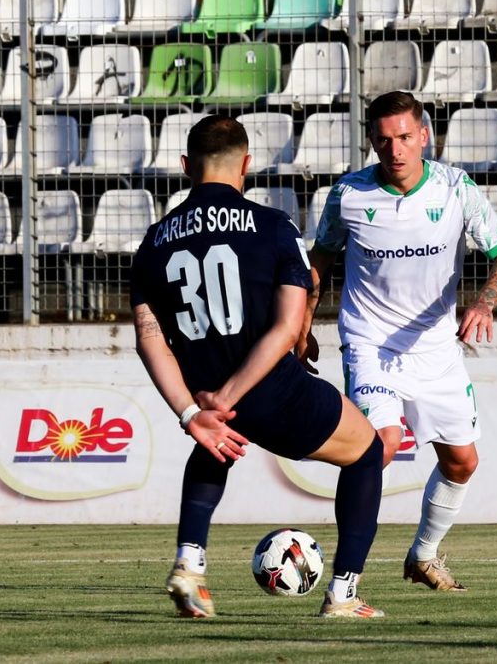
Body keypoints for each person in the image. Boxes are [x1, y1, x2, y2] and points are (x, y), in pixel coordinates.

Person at [130, 114, 386, 619]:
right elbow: (287, 327)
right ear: (246, 164)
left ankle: (189, 564)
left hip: (202, 389)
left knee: (214, 440)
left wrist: (192, 412)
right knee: (367, 452)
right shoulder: (272, 226)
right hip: (270, 389)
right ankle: (343, 594)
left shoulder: (154, 240)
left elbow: (148, 338)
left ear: (185, 166)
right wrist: (230, 396)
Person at [297, 92, 497, 592]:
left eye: (404, 137)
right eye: (383, 140)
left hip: (436, 348)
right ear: (371, 141)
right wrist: (302, 324)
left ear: (423, 135)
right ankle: (345, 580)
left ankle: (423, 555)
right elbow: (319, 264)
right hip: (370, 343)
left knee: (462, 461)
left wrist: (484, 303)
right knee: (381, 446)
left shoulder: (456, 189)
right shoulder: (348, 195)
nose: (394, 149)